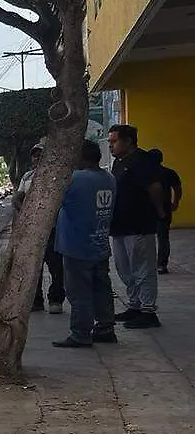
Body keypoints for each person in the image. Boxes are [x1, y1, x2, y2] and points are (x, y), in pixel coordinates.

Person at [53, 140, 118, 348]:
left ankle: (81, 333)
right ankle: (106, 328)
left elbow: (53, 201)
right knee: (102, 288)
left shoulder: (75, 179)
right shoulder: (108, 177)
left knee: (79, 292)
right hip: (99, 243)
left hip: (76, 245)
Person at [108, 124, 165, 329]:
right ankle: (135, 305)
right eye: (109, 142)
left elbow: (155, 187)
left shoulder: (142, 160)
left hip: (139, 224)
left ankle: (148, 311)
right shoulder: (118, 163)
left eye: (114, 141)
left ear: (128, 141)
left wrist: (159, 212)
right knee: (125, 269)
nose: (111, 146)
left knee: (143, 269)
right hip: (119, 226)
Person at [14, 142, 66, 312]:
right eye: (34, 155)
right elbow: (17, 198)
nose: (36, 158)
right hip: (32, 231)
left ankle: (55, 300)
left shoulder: (57, 176)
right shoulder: (27, 177)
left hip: (53, 229)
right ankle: (35, 301)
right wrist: (27, 214)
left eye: (40, 155)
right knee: (33, 267)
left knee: (56, 267)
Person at [150, 148, 183, 274]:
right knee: (163, 237)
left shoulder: (147, 173)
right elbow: (177, 188)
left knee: (146, 238)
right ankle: (162, 265)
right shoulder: (169, 172)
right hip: (165, 208)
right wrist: (175, 202)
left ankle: (149, 264)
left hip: (148, 209)